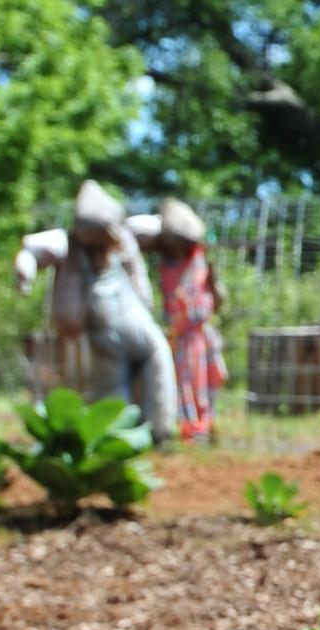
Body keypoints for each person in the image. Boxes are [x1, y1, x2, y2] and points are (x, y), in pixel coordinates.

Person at [13, 182, 181, 442]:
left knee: (153, 377)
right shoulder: (73, 243)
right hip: (114, 333)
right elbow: (34, 249)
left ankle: (157, 434)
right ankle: (123, 439)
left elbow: (156, 227)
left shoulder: (123, 238)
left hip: (134, 330)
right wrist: (26, 267)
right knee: (115, 389)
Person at [147, 200, 221, 442]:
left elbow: (216, 296)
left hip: (197, 335)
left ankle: (201, 426)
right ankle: (187, 427)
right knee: (183, 382)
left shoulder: (199, 260)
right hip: (178, 336)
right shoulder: (166, 266)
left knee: (200, 381)